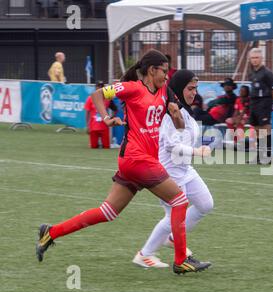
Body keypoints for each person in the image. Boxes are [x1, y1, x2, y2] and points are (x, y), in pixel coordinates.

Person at [36, 49, 211, 274]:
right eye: (164, 72)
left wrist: (176, 114)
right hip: (137, 159)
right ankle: (180, 261)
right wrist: (106, 117)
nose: (167, 77)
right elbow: (98, 95)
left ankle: (50, 233)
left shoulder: (164, 91)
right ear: (151, 70)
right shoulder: (132, 88)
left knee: (107, 212)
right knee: (179, 202)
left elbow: (178, 125)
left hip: (138, 162)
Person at [133, 69, 214, 268]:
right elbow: (172, 146)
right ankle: (145, 254)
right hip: (167, 173)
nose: (194, 92)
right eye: (190, 88)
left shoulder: (186, 111)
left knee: (205, 204)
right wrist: (197, 151)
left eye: (195, 88)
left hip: (185, 170)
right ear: (179, 89)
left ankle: (172, 239)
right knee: (172, 217)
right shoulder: (172, 112)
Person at [247, 47, 273, 164]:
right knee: (257, 130)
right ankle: (259, 157)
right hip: (254, 103)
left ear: (261, 59)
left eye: (256, 58)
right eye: (252, 58)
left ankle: (268, 156)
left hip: (264, 102)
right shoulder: (252, 73)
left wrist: (272, 103)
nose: (254, 60)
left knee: (266, 129)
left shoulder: (267, 73)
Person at [84, 81, 118, 149]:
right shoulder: (90, 98)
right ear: (96, 88)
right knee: (93, 147)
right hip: (93, 127)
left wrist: (112, 118)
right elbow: (87, 113)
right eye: (98, 86)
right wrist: (88, 126)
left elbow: (115, 109)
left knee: (106, 147)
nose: (99, 88)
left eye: (101, 87)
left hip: (104, 127)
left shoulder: (107, 98)